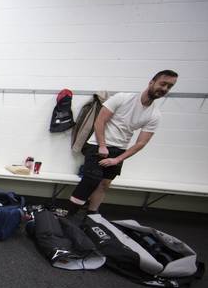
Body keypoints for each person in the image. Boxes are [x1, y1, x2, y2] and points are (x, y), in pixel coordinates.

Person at [67, 70, 178, 216]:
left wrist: (118, 159)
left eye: (169, 86)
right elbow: (100, 121)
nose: (164, 89)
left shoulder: (155, 115)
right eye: (163, 84)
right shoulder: (122, 98)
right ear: (152, 82)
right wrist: (102, 145)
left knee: (104, 184)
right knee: (91, 179)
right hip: (97, 145)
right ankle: (69, 215)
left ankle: (92, 215)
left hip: (119, 150)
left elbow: (141, 143)